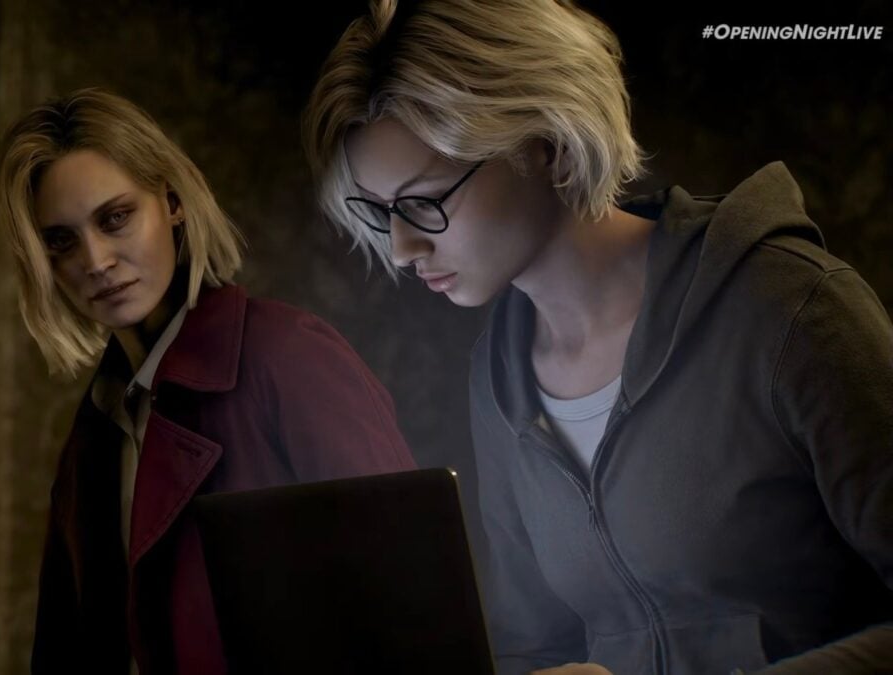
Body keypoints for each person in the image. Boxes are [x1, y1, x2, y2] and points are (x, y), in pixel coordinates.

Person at [302, 1, 893, 673]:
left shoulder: (787, 306)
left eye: (424, 200)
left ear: (547, 144)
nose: (403, 247)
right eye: (381, 213)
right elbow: (533, 646)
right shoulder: (498, 379)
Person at [0, 87, 418, 675]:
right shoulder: (95, 430)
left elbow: (411, 600)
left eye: (115, 218)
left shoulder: (287, 355)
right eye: (61, 241)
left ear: (171, 202)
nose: (95, 261)